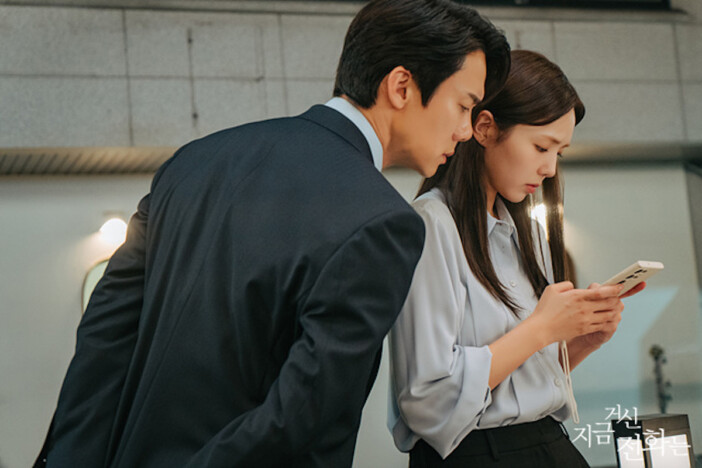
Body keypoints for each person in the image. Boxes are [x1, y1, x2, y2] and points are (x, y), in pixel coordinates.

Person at [35, 1, 510, 467]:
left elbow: (104, 341)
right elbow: (303, 415)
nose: (467, 131)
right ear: (402, 86)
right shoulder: (383, 220)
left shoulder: (194, 161)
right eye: (464, 106)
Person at [388, 50, 645, 467]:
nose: (548, 169)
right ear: (485, 128)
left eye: (558, 153)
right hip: (477, 453)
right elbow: (428, 400)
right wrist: (542, 329)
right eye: (541, 146)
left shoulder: (525, 233)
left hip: (545, 441)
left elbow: (521, 381)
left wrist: (579, 340)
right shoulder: (430, 225)